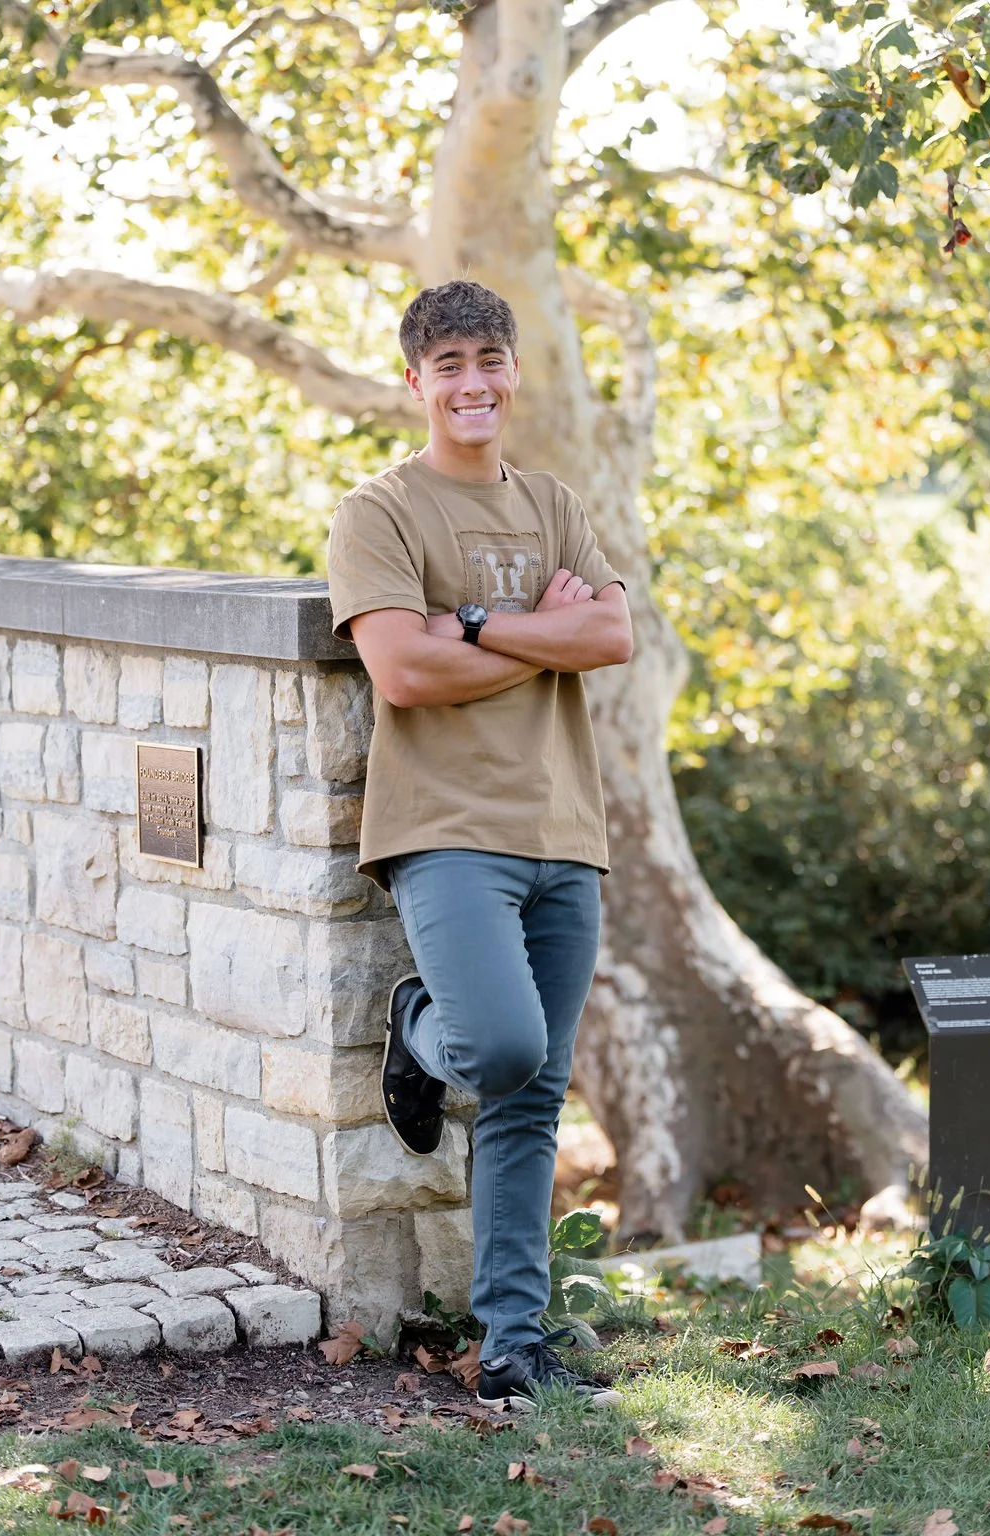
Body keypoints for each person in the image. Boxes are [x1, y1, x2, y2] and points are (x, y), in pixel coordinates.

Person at [326, 279, 633, 1411]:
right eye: (446, 363)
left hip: (565, 827)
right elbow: (402, 670)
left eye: (487, 360)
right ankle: (421, 1021)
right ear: (414, 381)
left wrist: (466, 623)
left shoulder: (552, 502)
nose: (471, 382)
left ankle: (513, 1341)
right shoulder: (381, 513)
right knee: (498, 1051)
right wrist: (537, 637)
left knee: (533, 1098)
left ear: (513, 373)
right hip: (446, 829)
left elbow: (612, 630)